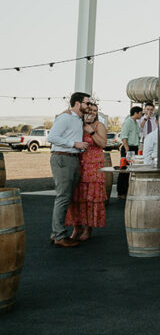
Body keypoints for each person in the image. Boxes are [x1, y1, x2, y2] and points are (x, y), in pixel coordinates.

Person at [48, 92, 91, 247]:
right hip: (63, 158)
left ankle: (56, 233)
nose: (89, 106)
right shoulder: (65, 117)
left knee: (67, 197)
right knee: (63, 197)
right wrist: (75, 144)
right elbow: (51, 137)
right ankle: (59, 236)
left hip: (72, 159)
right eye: (87, 103)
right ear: (78, 104)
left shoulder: (77, 119)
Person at [66, 99, 107, 241]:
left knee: (91, 198)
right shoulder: (77, 124)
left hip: (94, 165)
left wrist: (92, 132)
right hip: (79, 163)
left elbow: (103, 144)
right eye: (90, 110)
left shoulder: (98, 125)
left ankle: (88, 228)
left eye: (95, 111)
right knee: (76, 197)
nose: (92, 113)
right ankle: (77, 227)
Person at [117, 105, 142, 197]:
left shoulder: (136, 123)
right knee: (124, 170)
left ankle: (127, 190)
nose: (141, 115)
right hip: (128, 148)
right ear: (135, 113)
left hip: (134, 148)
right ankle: (121, 192)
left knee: (131, 170)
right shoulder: (128, 122)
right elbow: (124, 136)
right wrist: (127, 150)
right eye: (140, 113)